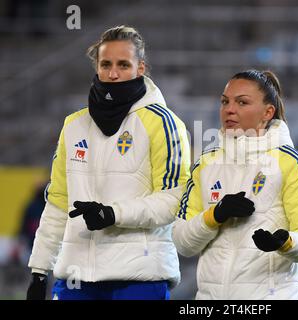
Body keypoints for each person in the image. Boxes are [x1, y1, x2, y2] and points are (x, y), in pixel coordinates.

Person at [26, 25, 190, 300]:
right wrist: (40, 270)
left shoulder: (165, 124)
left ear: (141, 68)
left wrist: (113, 214)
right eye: (106, 64)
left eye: (123, 64)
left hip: (139, 278)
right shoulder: (74, 125)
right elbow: (57, 203)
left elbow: (175, 199)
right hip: (76, 277)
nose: (113, 73)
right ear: (97, 68)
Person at [172, 69, 298, 300]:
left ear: (267, 112)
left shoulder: (293, 164)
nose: (229, 109)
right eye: (225, 101)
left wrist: (284, 241)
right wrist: (215, 215)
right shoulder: (206, 163)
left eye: (242, 102)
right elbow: (183, 242)